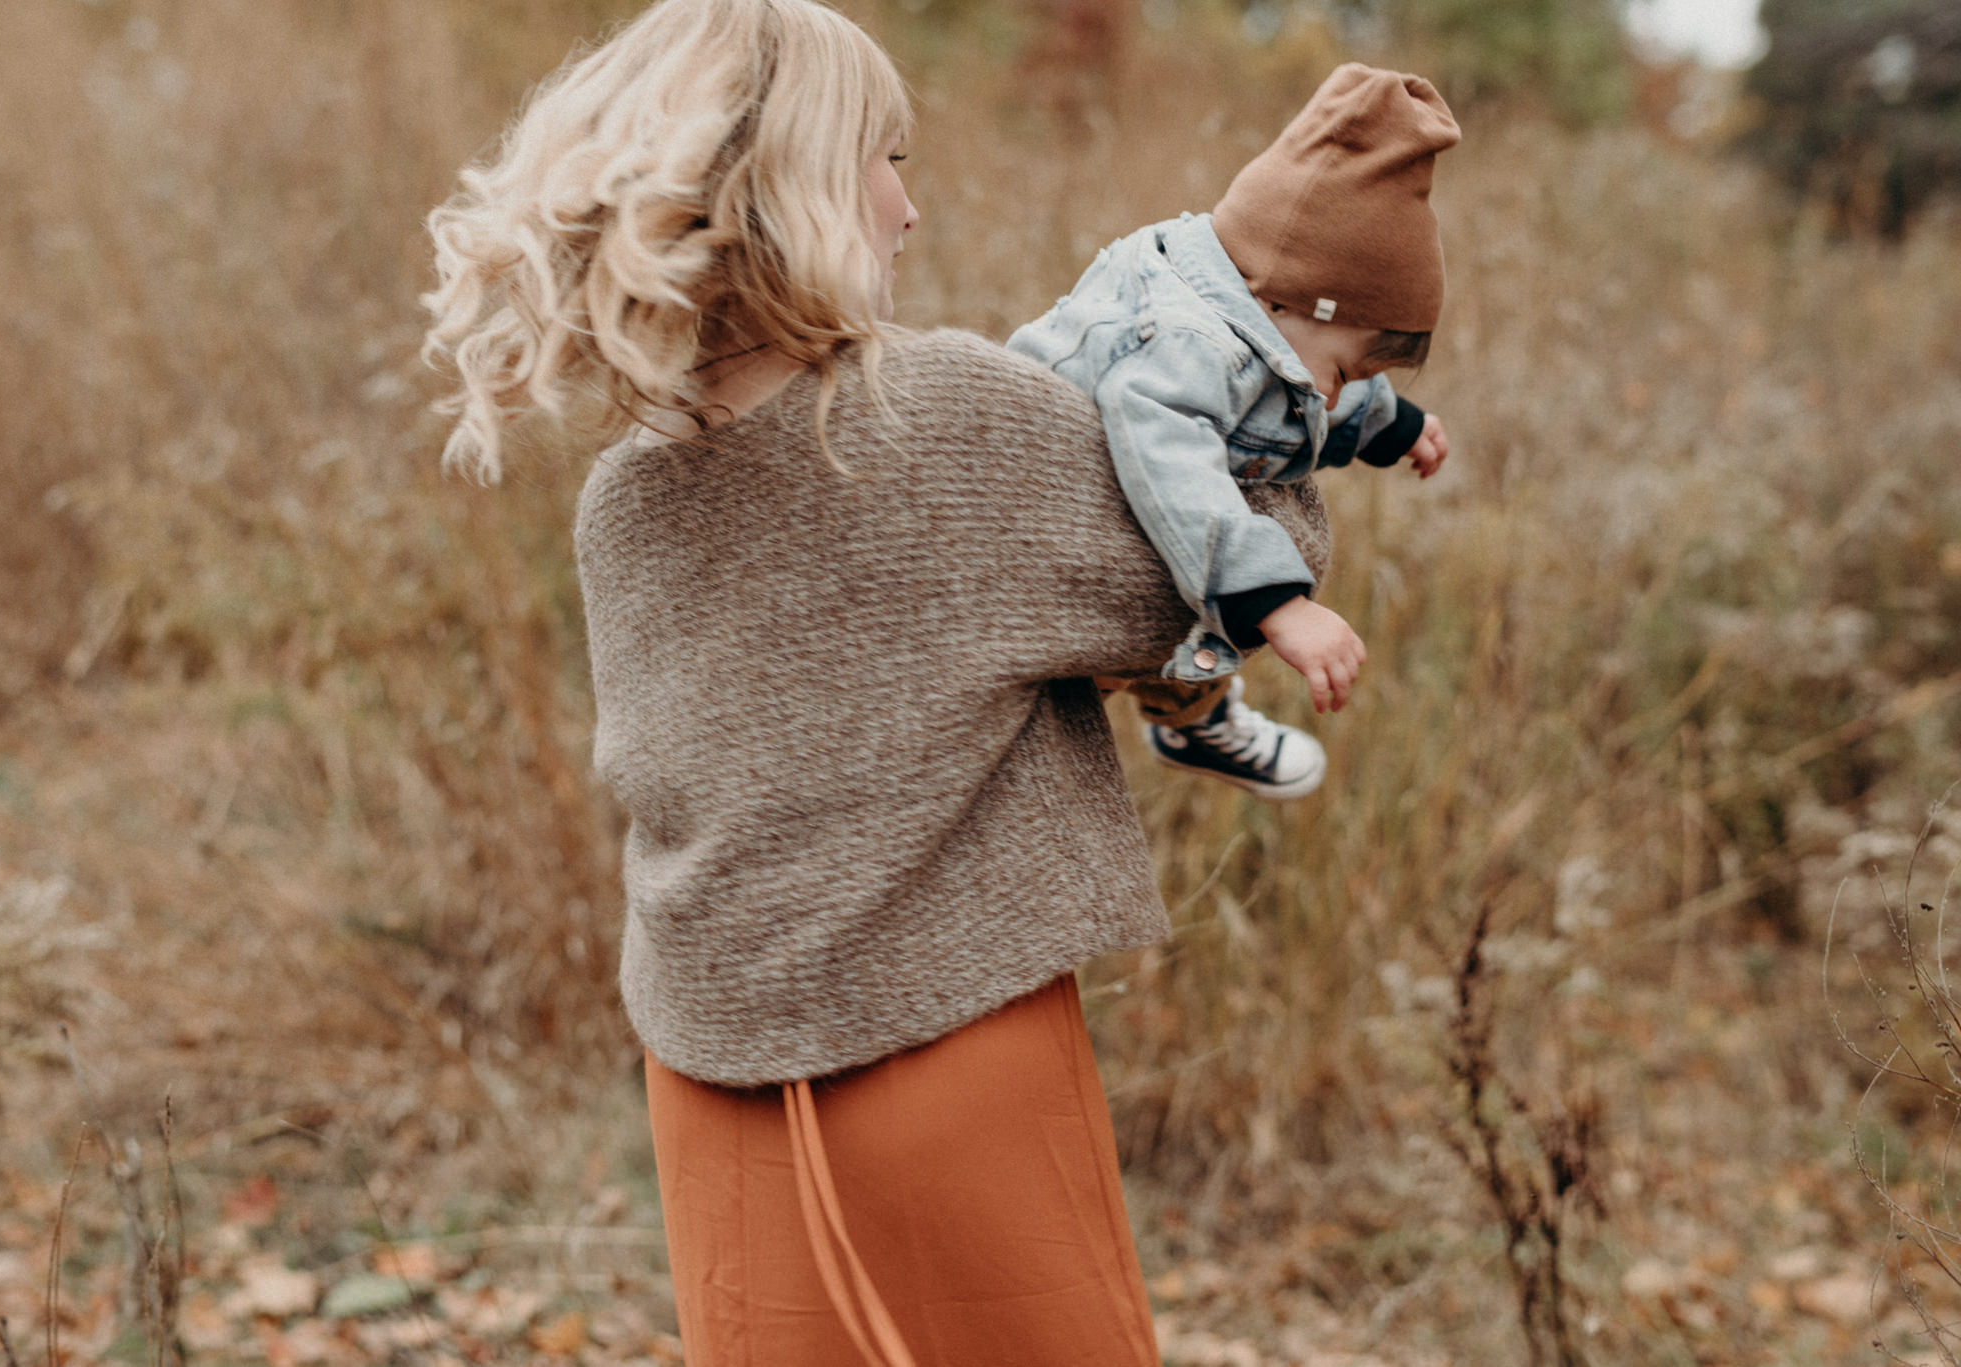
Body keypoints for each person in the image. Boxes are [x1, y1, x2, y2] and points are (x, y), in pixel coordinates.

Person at [420, 1, 1336, 1362]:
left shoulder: (624, 497)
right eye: (887, 157)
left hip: (711, 1081)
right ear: (795, 182)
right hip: (947, 1057)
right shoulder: (937, 414)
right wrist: (1270, 383)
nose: (910, 208)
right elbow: (1222, 583)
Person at [1009, 63, 1460, 801]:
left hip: (1108, 516)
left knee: (1196, 567)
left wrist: (1390, 423)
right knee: (1185, 572)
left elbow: (1289, 389)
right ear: (1297, 304)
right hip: (1040, 539)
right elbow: (1173, 466)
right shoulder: (1187, 343)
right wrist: (1280, 605)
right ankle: (1166, 720)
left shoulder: (1249, 295)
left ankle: (1193, 714)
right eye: (1349, 372)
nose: (1335, 390)